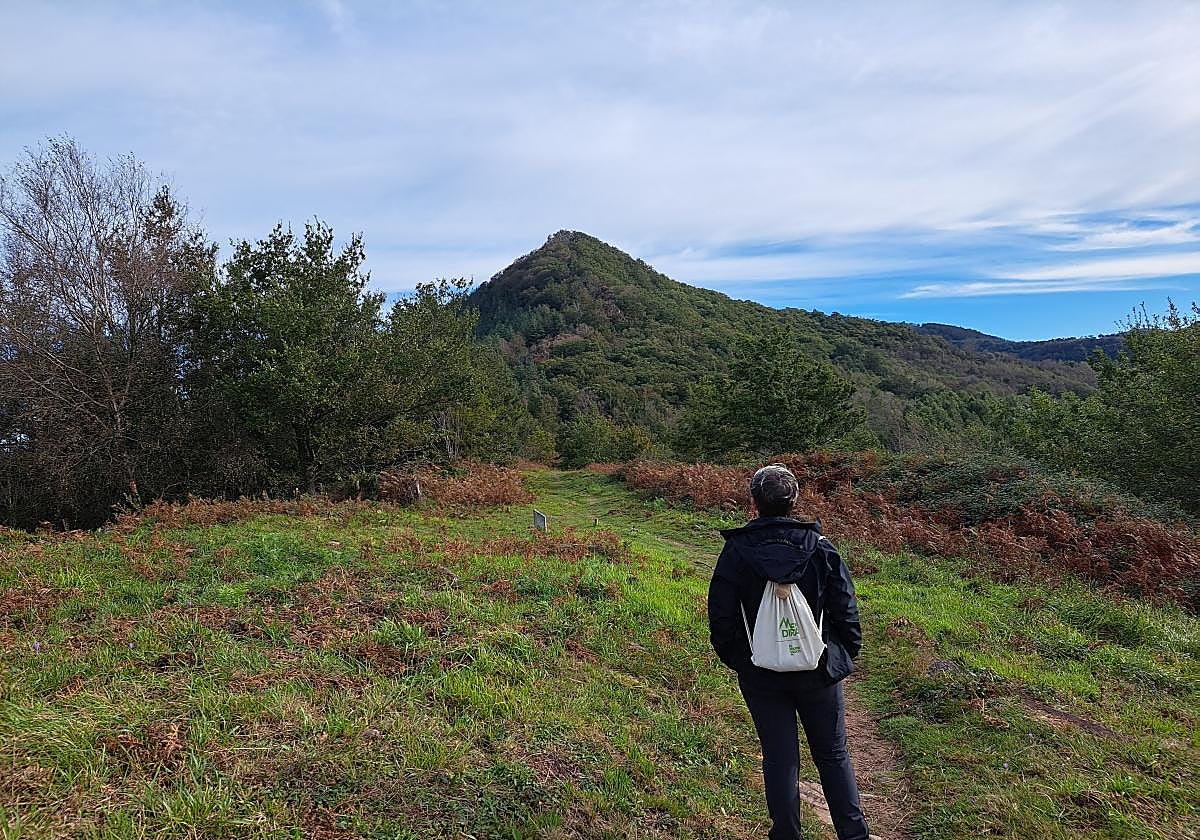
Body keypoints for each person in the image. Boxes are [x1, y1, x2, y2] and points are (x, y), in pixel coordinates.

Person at [708, 463, 869, 840]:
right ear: (795, 501)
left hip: (761, 675)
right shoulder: (822, 549)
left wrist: (742, 661)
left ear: (754, 502)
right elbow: (846, 608)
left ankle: (786, 835)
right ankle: (854, 835)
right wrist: (842, 654)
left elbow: (721, 616)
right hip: (819, 671)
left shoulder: (736, 553)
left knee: (780, 759)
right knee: (832, 755)